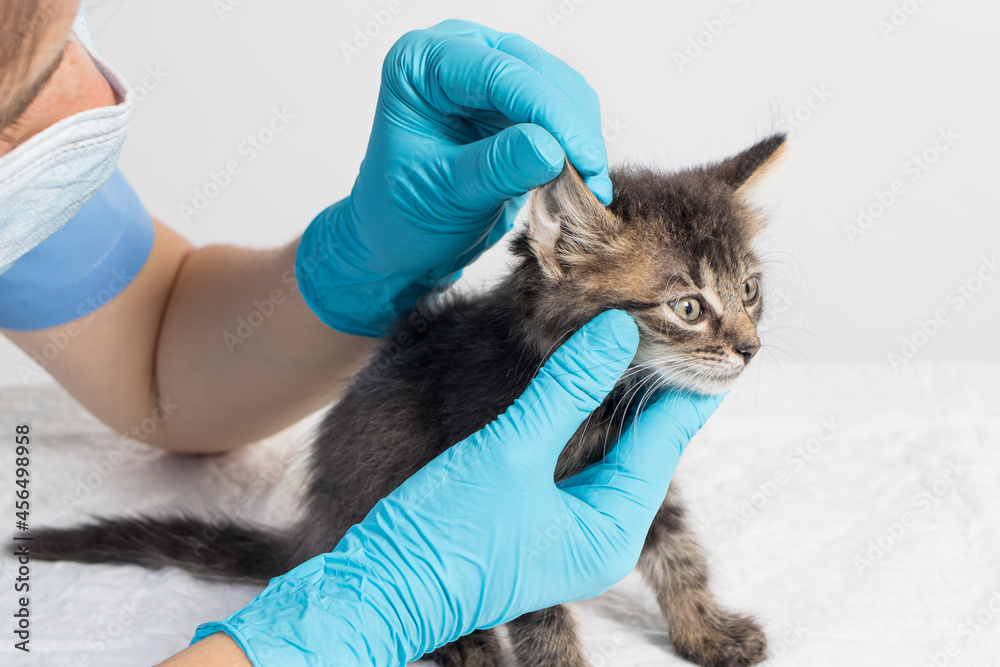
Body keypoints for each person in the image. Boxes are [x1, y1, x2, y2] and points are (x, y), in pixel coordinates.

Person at [0, 2, 723, 665]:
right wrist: (349, 618)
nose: (98, 89)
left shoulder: (30, 204)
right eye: (40, 72)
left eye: (74, 31)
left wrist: (361, 266)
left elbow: (150, 347)